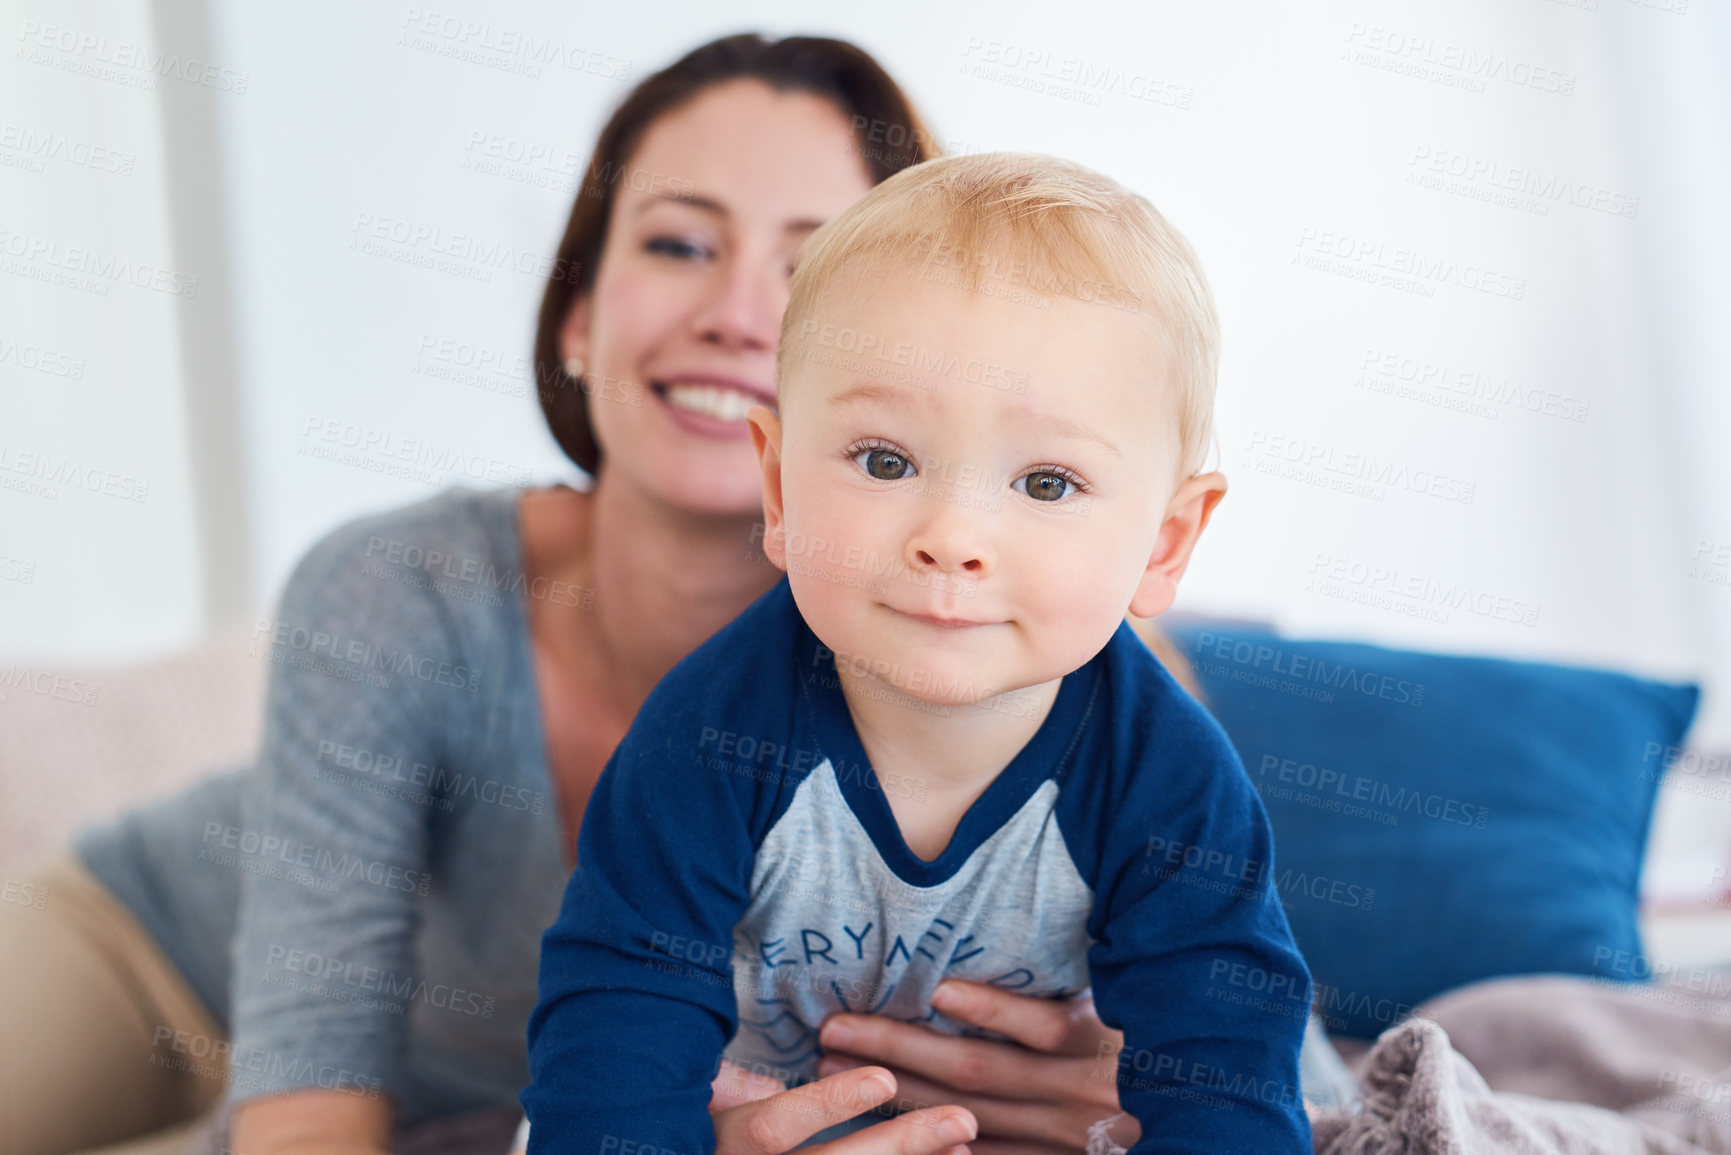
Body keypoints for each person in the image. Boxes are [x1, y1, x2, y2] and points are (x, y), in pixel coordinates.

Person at [0, 34, 1192, 1155]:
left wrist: (1126, 1061)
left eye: (809, 262)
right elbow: (305, 1112)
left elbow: (1265, 1047)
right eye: (678, 244)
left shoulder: (1077, 680)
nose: (732, 312)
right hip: (156, 954)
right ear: (579, 315)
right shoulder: (402, 596)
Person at [520, 154, 1314, 1152]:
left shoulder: (1169, 776)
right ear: (779, 491)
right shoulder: (707, 735)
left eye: (1048, 483)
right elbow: (616, 1011)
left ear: (1164, 544)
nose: (951, 534)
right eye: (884, 460)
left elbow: (1226, 1064)